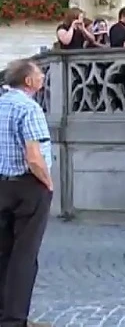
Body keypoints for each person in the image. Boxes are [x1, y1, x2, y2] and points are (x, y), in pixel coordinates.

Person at [0, 59, 53, 327]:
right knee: (24, 256)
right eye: (39, 74)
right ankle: (14, 319)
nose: (42, 77)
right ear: (29, 81)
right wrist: (48, 182)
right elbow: (34, 156)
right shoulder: (29, 108)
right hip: (27, 186)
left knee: (3, 252)